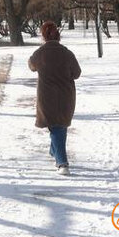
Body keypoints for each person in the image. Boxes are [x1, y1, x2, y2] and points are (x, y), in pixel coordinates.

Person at [28, 21, 81, 175]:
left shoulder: (39, 53)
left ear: (43, 36)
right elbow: (77, 73)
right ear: (58, 35)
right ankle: (55, 152)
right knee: (59, 126)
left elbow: (31, 66)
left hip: (47, 96)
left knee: (56, 127)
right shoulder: (67, 53)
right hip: (66, 95)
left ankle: (62, 163)